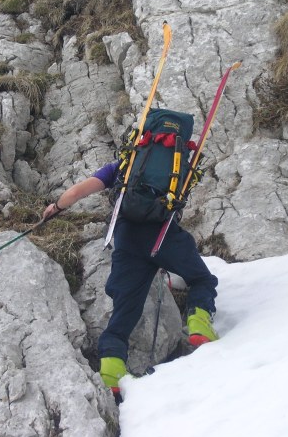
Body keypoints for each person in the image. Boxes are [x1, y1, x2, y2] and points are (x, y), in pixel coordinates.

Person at [42, 161, 219, 400]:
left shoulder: (122, 165)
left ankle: (112, 369)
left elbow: (75, 193)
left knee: (124, 309)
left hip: (127, 238)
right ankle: (199, 322)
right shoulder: (176, 164)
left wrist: (56, 207)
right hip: (163, 235)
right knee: (202, 280)